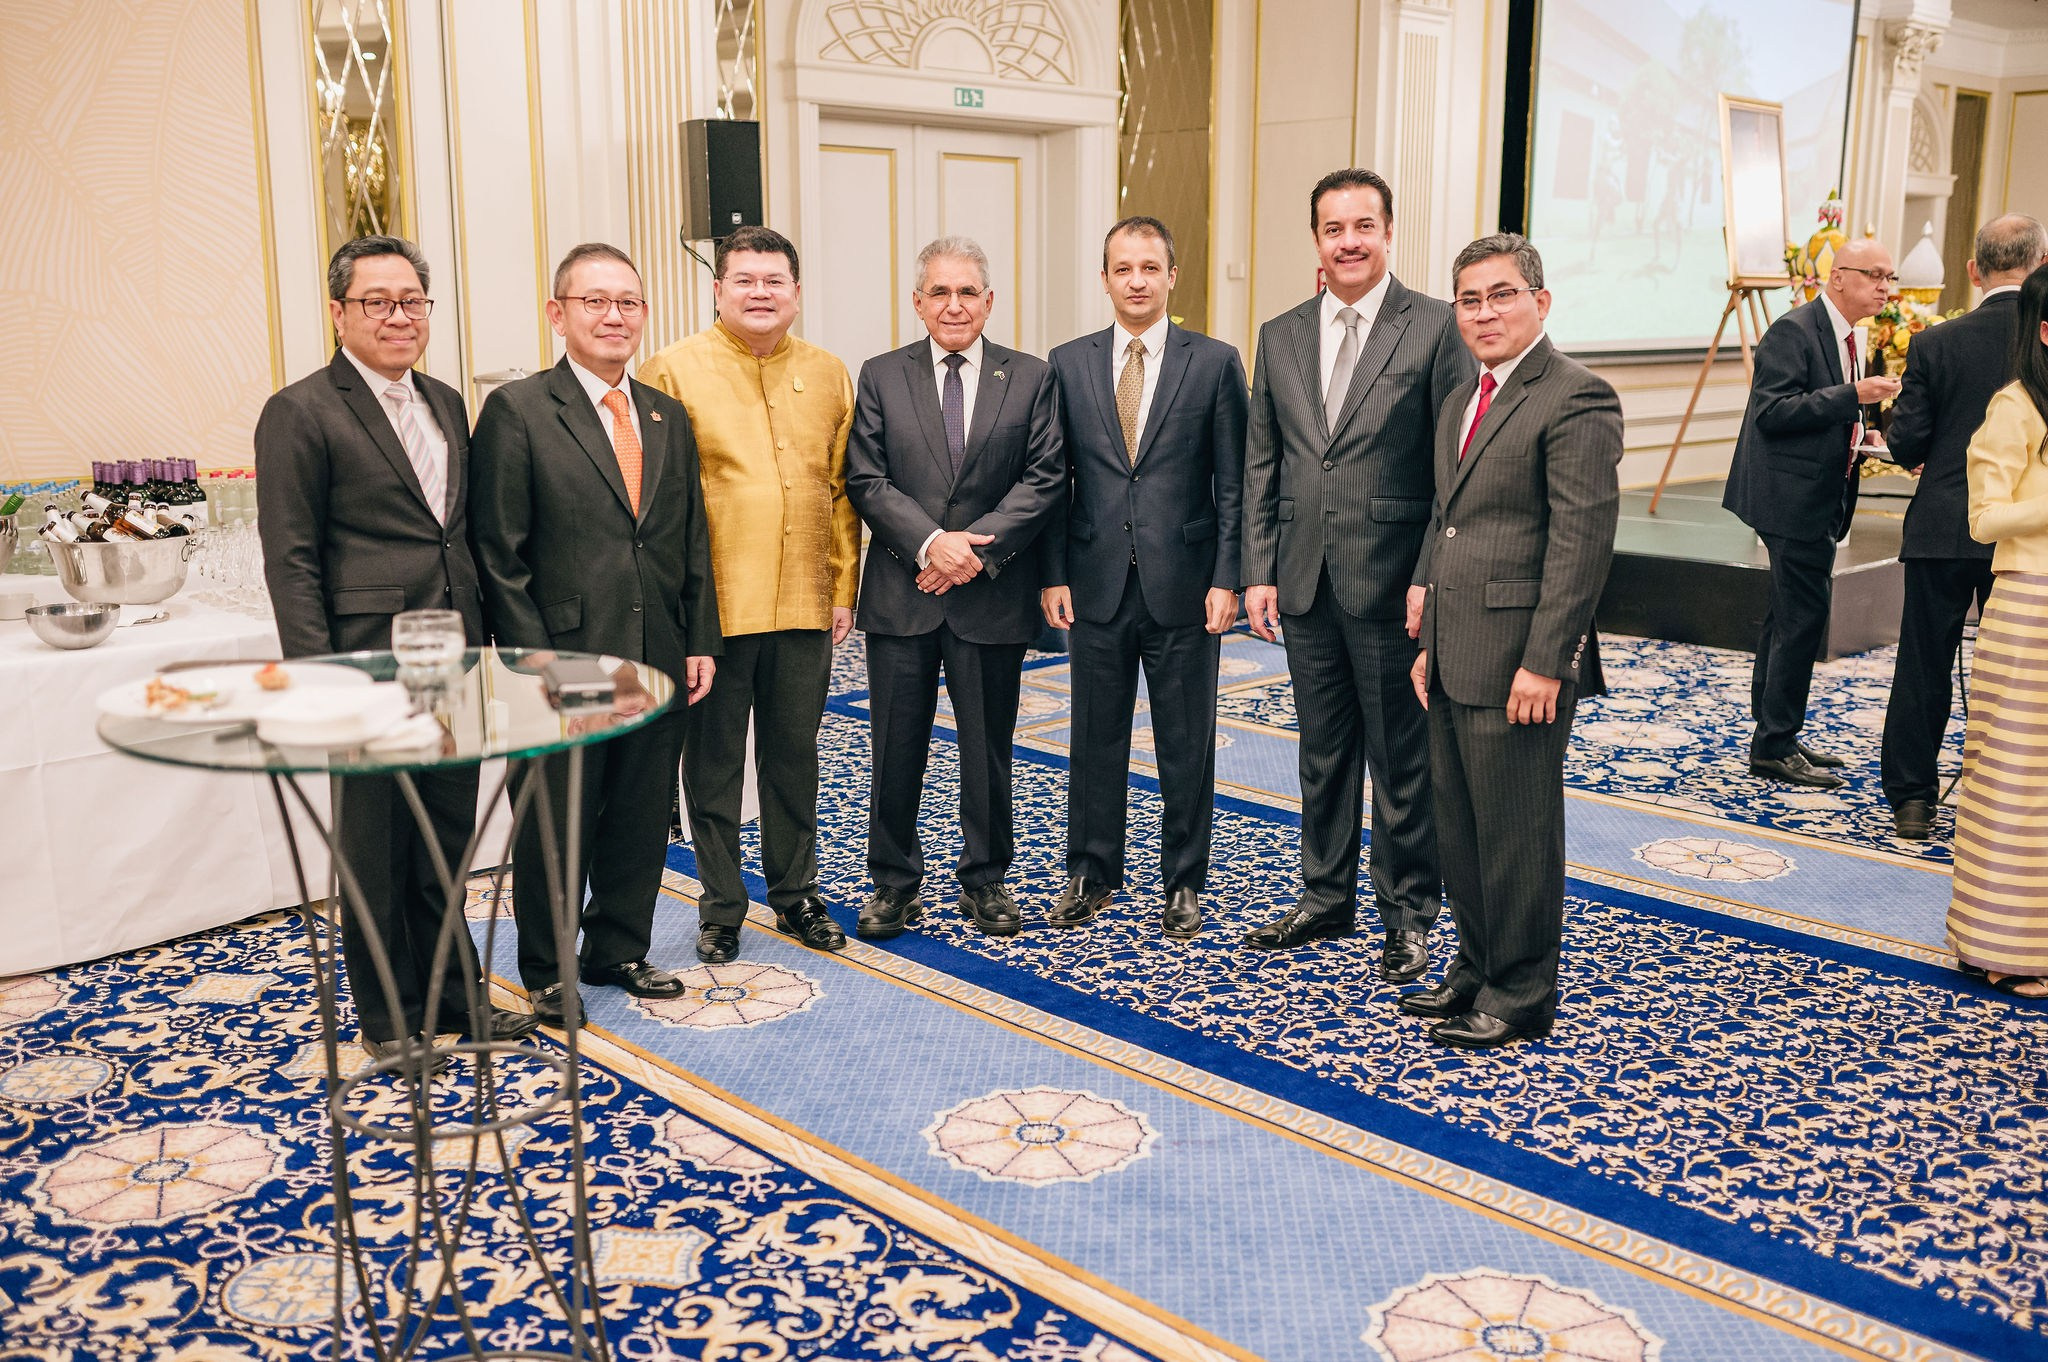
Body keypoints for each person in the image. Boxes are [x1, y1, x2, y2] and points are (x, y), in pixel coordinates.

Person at [257, 234, 537, 1066]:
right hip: (363, 664)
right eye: (377, 302)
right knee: (377, 850)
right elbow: (292, 558)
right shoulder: (301, 410)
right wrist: (321, 680)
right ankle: (388, 1021)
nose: (398, 316)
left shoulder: (449, 401)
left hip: (449, 657)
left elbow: (460, 534)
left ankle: (457, 997)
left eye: (412, 300)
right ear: (339, 311)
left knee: (449, 841)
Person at [469, 243, 719, 1028]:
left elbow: (687, 538)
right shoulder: (517, 411)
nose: (615, 316)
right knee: (555, 822)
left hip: (657, 649)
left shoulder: (664, 414)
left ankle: (616, 947)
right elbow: (496, 555)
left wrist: (699, 638)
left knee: (641, 812)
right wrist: (536, 661)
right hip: (560, 660)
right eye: (595, 302)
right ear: (558, 313)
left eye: (629, 303)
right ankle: (547, 970)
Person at [1239, 168, 1476, 980]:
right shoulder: (1279, 334)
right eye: (1333, 229)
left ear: (1387, 233)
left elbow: (1454, 472)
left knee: (1400, 761)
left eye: (1363, 226)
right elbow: (1263, 459)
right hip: (1304, 579)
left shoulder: (1438, 327)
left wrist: (1427, 577)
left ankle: (1409, 911)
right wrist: (1258, 568)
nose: (1348, 241)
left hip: (1390, 585)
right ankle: (1324, 895)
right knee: (1322, 750)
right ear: (1316, 240)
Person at [1400, 234, 1623, 1048]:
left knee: (1518, 832)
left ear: (1541, 302)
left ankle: (1522, 990)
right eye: (1469, 299)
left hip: (1523, 663)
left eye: (1501, 295)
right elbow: (1447, 520)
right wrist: (1431, 641)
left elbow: (1580, 546)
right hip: (1456, 652)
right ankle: (1475, 966)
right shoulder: (1466, 396)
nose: (1484, 312)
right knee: (1460, 827)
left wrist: (1546, 663)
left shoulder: (1577, 397)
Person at [636, 226, 859, 964]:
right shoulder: (671, 371)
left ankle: (796, 895)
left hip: (803, 602)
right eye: (745, 281)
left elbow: (841, 493)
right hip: (716, 611)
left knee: (796, 759)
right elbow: (659, 503)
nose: (760, 293)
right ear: (717, 290)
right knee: (714, 767)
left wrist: (842, 587)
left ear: (797, 292)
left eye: (774, 281)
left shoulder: (828, 373)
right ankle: (722, 904)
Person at [844, 236, 1064, 939]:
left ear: (990, 301)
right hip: (904, 591)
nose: (954, 304)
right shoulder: (880, 375)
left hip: (989, 593)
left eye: (968, 291)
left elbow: (1045, 478)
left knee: (989, 748)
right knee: (893, 746)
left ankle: (986, 879)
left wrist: (972, 552)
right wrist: (931, 544)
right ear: (917, 303)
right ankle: (892, 882)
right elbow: (866, 478)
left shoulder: (1030, 378)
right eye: (939, 292)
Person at [1040, 216, 1247, 938]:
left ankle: (1183, 881)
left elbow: (1233, 484)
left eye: (1149, 268)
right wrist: (1052, 573)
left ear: (1171, 277)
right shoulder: (1066, 363)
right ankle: (1091, 872)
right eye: (1122, 269)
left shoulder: (1215, 363)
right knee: (1093, 737)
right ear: (1104, 278)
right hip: (1094, 581)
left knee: (1186, 741)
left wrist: (1229, 577)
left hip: (1187, 587)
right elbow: (1052, 481)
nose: (1136, 280)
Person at [1879, 216, 2048, 839]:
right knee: (2016, 672)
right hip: (2026, 540)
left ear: (1975, 270)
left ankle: (1913, 800)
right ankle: (2000, 798)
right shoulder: (2043, 341)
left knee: (1923, 663)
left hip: (1945, 527)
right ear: (2042, 263)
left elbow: (1904, 444)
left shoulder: (1935, 342)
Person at [1723, 237, 1901, 789]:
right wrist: (1853, 397)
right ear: (1839, 276)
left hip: (1823, 493)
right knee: (1802, 621)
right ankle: (1773, 746)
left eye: (1889, 278)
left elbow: (1820, 410)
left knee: (1787, 618)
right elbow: (1772, 412)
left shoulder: (1852, 336)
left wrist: (1861, 430)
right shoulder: (1793, 330)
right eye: (1875, 275)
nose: (1885, 288)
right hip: (1790, 499)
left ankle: (1775, 732)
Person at [1948, 262, 2048, 999]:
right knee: (2013, 781)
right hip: (2027, 611)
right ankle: (1998, 944)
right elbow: (1985, 519)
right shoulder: (2015, 408)